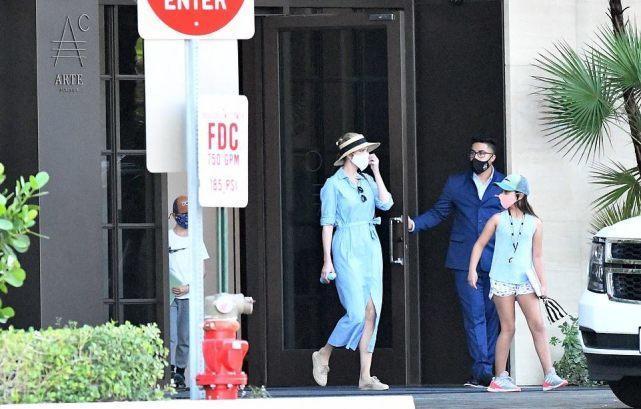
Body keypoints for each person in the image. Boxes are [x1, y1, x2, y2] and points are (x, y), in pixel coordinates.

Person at [407, 135, 504, 387]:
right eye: (473, 153)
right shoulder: (456, 183)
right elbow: (439, 212)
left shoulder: (505, 184)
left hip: (497, 260)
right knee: (474, 315)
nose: (476, 158)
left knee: (492, 316)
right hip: (464, 260)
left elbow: (517, 219)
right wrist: (414, 224)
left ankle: (487, 368)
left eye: (481, 154)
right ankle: (483, 370)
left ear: (493, 158)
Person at [467, 174, 568, 392]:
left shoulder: (535, 223)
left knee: (538, 325)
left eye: (506, 192)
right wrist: (472, 270)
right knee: (508, 328)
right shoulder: (497, 219)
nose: (501, 195)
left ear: (519, 195)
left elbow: (537, 256)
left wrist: (543, 284)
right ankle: (500, 377)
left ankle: (550, 374)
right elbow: (479, 244)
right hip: (501, 280)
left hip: (525, 281)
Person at [311, 132, 394, 390]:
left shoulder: (366, 180)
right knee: (356, 312)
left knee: (372, 310)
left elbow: (386, 203)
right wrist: (327, 260)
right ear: (350, 155)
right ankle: (324, 353)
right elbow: (327, 224)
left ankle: (365, 376)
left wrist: (376, 171)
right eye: (362, 152)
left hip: (369, 243)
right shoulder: (333, 185)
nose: (366, 155)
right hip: (346, 243)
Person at [168, 195, 209, 389]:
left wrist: (188, 287)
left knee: (185, 337)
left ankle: (180, 373)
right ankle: (168, 371)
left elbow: (202, 270)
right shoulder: (167, 237)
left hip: (188, 295)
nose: (186, 218)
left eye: (188, 214)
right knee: (171, 336)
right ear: (174, 215)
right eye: (183, 214)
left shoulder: (196, 238)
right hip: (170, 295)